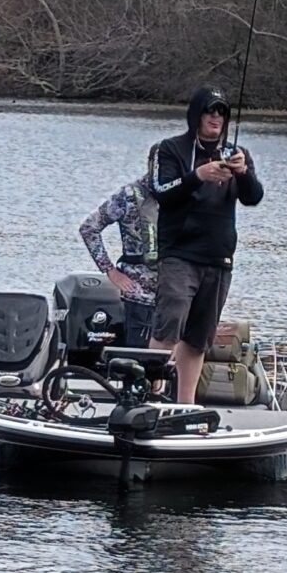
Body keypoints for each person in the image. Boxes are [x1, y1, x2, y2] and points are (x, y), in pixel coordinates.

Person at [146, 85, 264, 405]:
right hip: (180, 255)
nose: (216, 117)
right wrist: (197, 176)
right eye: (210, 111)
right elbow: (161, 189)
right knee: (169, 327)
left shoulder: (236, 154)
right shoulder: (169, 150)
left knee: (199, 339)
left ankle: (185, 406)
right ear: (197, 114)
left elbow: (253, 197)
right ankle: (149, 397)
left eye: (222, 112)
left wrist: (242, 173)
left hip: (219, 258)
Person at [78, 172, 160, 348]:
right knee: (139, 363)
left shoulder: (185, 193)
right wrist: (110, 270)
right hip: (139, 295)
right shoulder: (129, 195)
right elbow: (88, 228)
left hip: (177, 295)